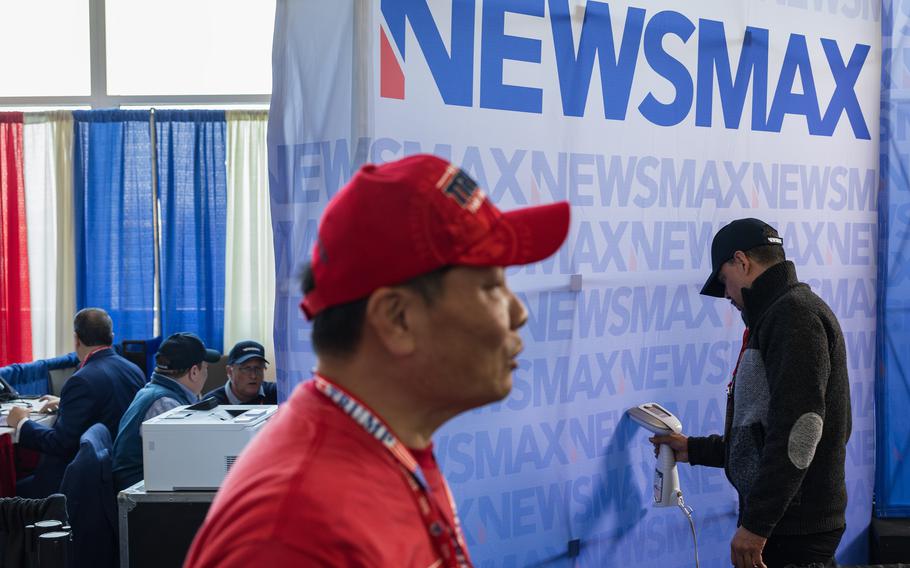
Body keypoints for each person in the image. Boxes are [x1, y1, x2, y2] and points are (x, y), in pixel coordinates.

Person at [184, 154, 570, 567]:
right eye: (492, 286)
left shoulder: (382, 449)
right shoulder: (295, 534)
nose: (518, 313)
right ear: (397, 319)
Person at [651, 218, 852, 568]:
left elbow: (800, 431)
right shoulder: (783, 314)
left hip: (793, 529)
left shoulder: (794, 316)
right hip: (789, 521)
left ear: (742, 262)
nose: (727, 295)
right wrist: (695, 449)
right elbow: (768, 433)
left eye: (725, 282)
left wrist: (757, 526)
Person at [8, 308, 145, 497]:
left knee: (10, 493)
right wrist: (65, 402)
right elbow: (109, 405)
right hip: (118, 472)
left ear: (77, 339)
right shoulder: (133, 369)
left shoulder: (81, 380)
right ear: (111, 337)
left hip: (79, 485)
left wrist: (22, 423)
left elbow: (59, 444)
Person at [111, 332, 220, 491]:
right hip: (142, 495)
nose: (206, 373)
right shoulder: (166, 405)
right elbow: (186, 463)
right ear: (194, 372)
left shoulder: (157, 392)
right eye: (206, 367)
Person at [202, 341, 276, 405]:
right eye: (246, 369)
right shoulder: (211, 404)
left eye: (258, 368)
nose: (253, 375)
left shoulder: (276, 394)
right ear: (230, 371)